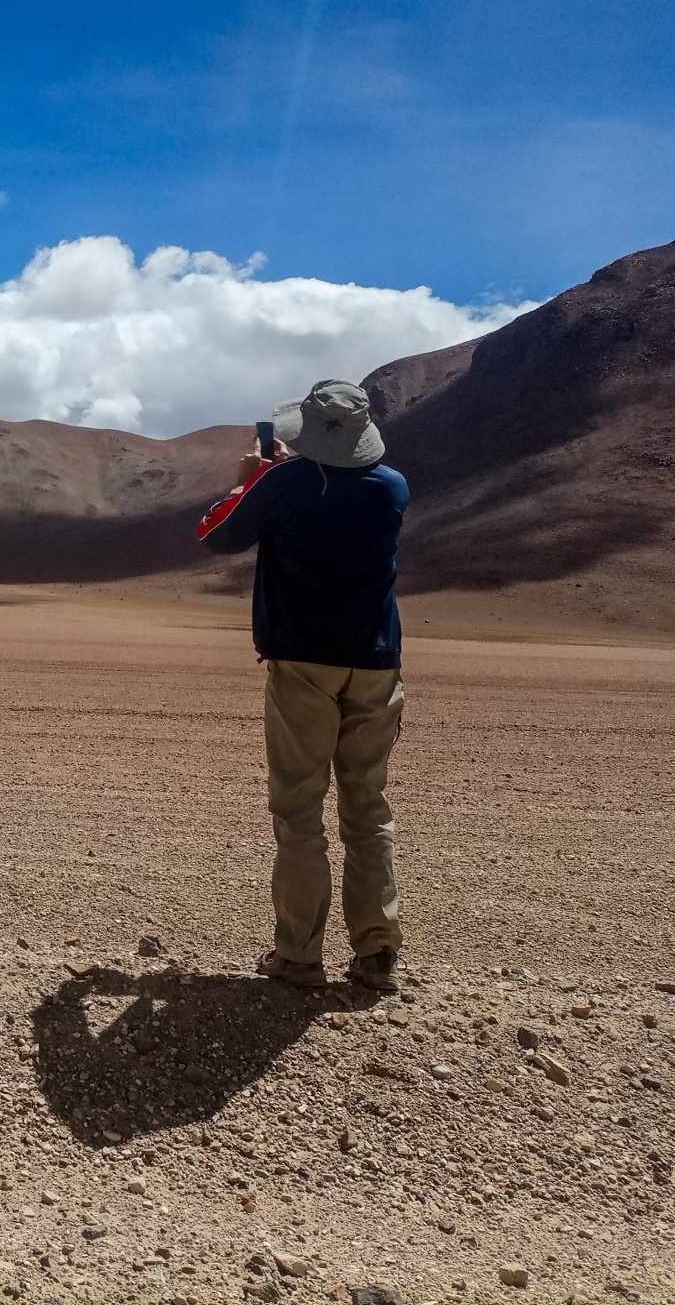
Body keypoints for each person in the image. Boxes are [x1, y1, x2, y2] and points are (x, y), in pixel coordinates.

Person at [195, 379, 409, 992]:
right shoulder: (393, 487)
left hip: (304, 663)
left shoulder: (282, 485)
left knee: (298, 812)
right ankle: (376, 953)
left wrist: (249, 480)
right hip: (376, 661)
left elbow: (215, 533)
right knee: (367, 811)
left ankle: (298, 955)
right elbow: (338, 497)